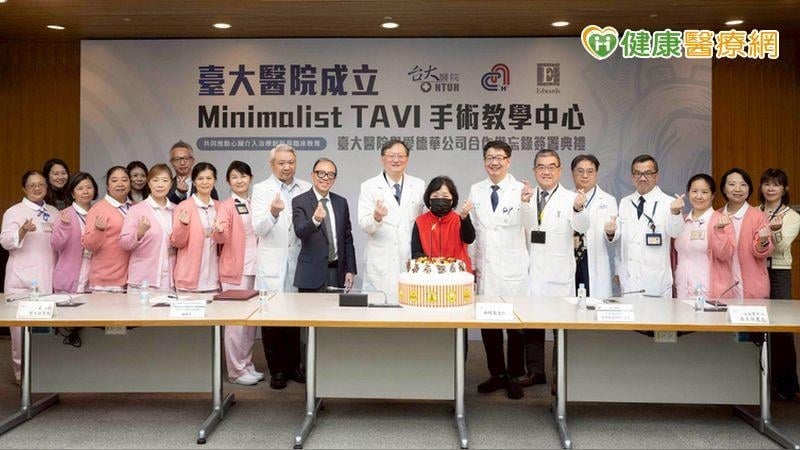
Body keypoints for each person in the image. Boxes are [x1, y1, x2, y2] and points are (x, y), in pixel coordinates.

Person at [520, 149, 590, 396]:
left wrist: (579, 209)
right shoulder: (527, 196)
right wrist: (525, 203)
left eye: (551, 166)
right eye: (541, 167)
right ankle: (535, 371)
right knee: (533, 325)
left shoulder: (571, 198)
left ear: (560, 171)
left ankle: (559, 376)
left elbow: (583, 226)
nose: (546, 171)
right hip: (533, 273)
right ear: (534, 171)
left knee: (560, 327)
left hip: (559, 274)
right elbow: (525, 226)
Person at [468, 141, 529, 399]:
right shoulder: (476, 189)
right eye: (490, 157)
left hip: (513, 268)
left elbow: (530, 225)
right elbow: (474, 231)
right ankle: (496, 374)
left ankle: (515, 376)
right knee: (489, 325)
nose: (494, 162)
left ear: (508, 161)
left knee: (515, 326)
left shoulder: (521, 190)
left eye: (499, 157)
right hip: (486, 269)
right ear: (484, 161)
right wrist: (472, 266)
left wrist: (527, 204)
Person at [251, 144, 311, 389]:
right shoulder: (261, 189)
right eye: (281, 163)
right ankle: (276, 370)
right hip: (273, 262)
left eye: (291, 162)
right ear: (272, 164)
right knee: (272, 318)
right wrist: (273, 214)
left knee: (295, 317)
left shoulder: (305, 187)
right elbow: (258, 229)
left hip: (297, 260)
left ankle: (295, 366)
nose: (287, 167)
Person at [1, 170, 58, 382]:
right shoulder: (14, 212)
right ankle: (22, 375)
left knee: (45, 330)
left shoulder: (53, 212)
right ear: (24, 189)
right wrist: (23, 231)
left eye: (41, 184)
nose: (37, 188)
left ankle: (44, 375)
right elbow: (6, 241)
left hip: (48, 277)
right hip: (22, 279)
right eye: (32, 185)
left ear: (46, 187)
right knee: (20, 332)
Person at [607, 154, 685, 297]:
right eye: (637, 173)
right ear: (632, 176)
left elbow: (675, 232)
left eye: (648, 173)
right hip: (629, 278)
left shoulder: (668, 202)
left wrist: (675, 213)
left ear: (656, 176)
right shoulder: (625, 202)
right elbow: (621, 243)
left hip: (656, 280)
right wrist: (618, 269)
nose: (642, 178)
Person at [358, 139, 424, 303]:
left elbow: (423, 223)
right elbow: (364, 224)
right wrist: (376, 217)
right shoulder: (369, 186)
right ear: (382, 158)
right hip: (381, 261)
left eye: (401, 156)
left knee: (410, 307)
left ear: (407, 159)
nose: (396, 160)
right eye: (391, 156)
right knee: (378, 309)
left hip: (408, 258)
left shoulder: (418, 185)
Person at [216, 161, 263, 386]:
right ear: (228, 181)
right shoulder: (226, 206)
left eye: (243, 176)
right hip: (235, 271)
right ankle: (235, 371)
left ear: (250, 178)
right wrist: (219, 231)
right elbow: (221, 233)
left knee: (250, 323)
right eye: (234, 177)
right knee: (235, 325)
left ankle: (246, 365)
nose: (240, 180)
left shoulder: (255, 203)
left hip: (256, 269)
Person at [757, 169, 800, 400]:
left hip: (779, 271)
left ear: (785, 189)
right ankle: (762, 381)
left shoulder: (792, 216)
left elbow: (782, 248)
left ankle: (788, 385)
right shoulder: (755, 211)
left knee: (781, 326)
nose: (771, 188)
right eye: (767, 183)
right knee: (757, 325)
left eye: (776, 184)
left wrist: (774, 232)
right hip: (756, 269)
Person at [292, 158, 356, 292]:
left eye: (331, 175)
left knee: (336, 306)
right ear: (312, 175)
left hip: (337, 273)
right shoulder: (300, 201)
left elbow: (347, 239)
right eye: (321, 173)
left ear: (334, 179)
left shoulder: (341, 202)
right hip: (310, 274)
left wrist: (350, 270)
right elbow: (300, 231)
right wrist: (315, 220)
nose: (326, 178)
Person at [709, 168, 773, 300]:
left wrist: (762, 241)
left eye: (743, 184)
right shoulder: (715, 216)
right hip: (722, 287)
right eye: (732, 184)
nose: (737, 189)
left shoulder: (758, 216)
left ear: (749, 189)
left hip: (753, 286)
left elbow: (762, 252)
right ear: (724, 189)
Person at [672, 174, 735, 299]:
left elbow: (726, 255)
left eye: (704, 192)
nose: (699, 196)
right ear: (688, 193)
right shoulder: (682, 220)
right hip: (682, 290)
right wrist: (674, 214)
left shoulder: (721, 220)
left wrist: (720, 231)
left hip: (709, 292)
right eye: (694, 191)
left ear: (713, 195)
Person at [119, 164, 176, 293]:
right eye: (155, 180)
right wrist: (139, 233)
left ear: (171, 184)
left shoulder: (176, 210)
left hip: (169, 280)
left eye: (165, 180)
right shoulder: (137, 209)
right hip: (143, 280)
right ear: (149, 183)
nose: (160, 185)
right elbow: (123, 243)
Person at [570, 154, 618, 300]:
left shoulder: (608, 200)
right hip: (570, 256)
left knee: (594, 304)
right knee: (569, 303)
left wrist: (610, 232)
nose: (585, 175)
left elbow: (613, 236)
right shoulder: (566, 198)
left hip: (593, 257)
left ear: (596, 173)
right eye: (580, 171)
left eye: (590, 171)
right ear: (572, 173)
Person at [171, 162, 223, 292]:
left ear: (214, 181)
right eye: (200, 178)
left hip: (213, 280)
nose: (205, 182)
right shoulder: (184, 206)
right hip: (188, 278)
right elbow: (177, 242)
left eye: (209, 178)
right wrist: (183, 226)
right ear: (194, 182)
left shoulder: (219, 207)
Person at [82, 166, 132, 293]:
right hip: (106, 280)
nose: (120, 184)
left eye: (124, 180)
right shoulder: (98, 209)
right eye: (114, 180)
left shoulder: (135, 207)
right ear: (108, 186)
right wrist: (98, 230)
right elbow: (88, 244)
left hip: (132, 278)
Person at [411, 176, 474, 269]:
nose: (440, 199)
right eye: (435, 196)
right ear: (429, 199)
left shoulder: (459, 220)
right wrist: (435, 265)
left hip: (458, 274)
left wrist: (464, 218)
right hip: (430, 274)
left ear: (452, 200)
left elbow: (469, 239)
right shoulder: (420, 221)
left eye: (445, 196)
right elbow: (416, 253)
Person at [51, 172, 99, 294]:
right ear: (72, 193)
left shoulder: (99, 213)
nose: (85, 192)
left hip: (93, 276)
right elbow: (55, 245)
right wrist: (64, 226)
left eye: (89, 187)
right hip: (68, 278)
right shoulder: (65, 215)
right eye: (80, 188)